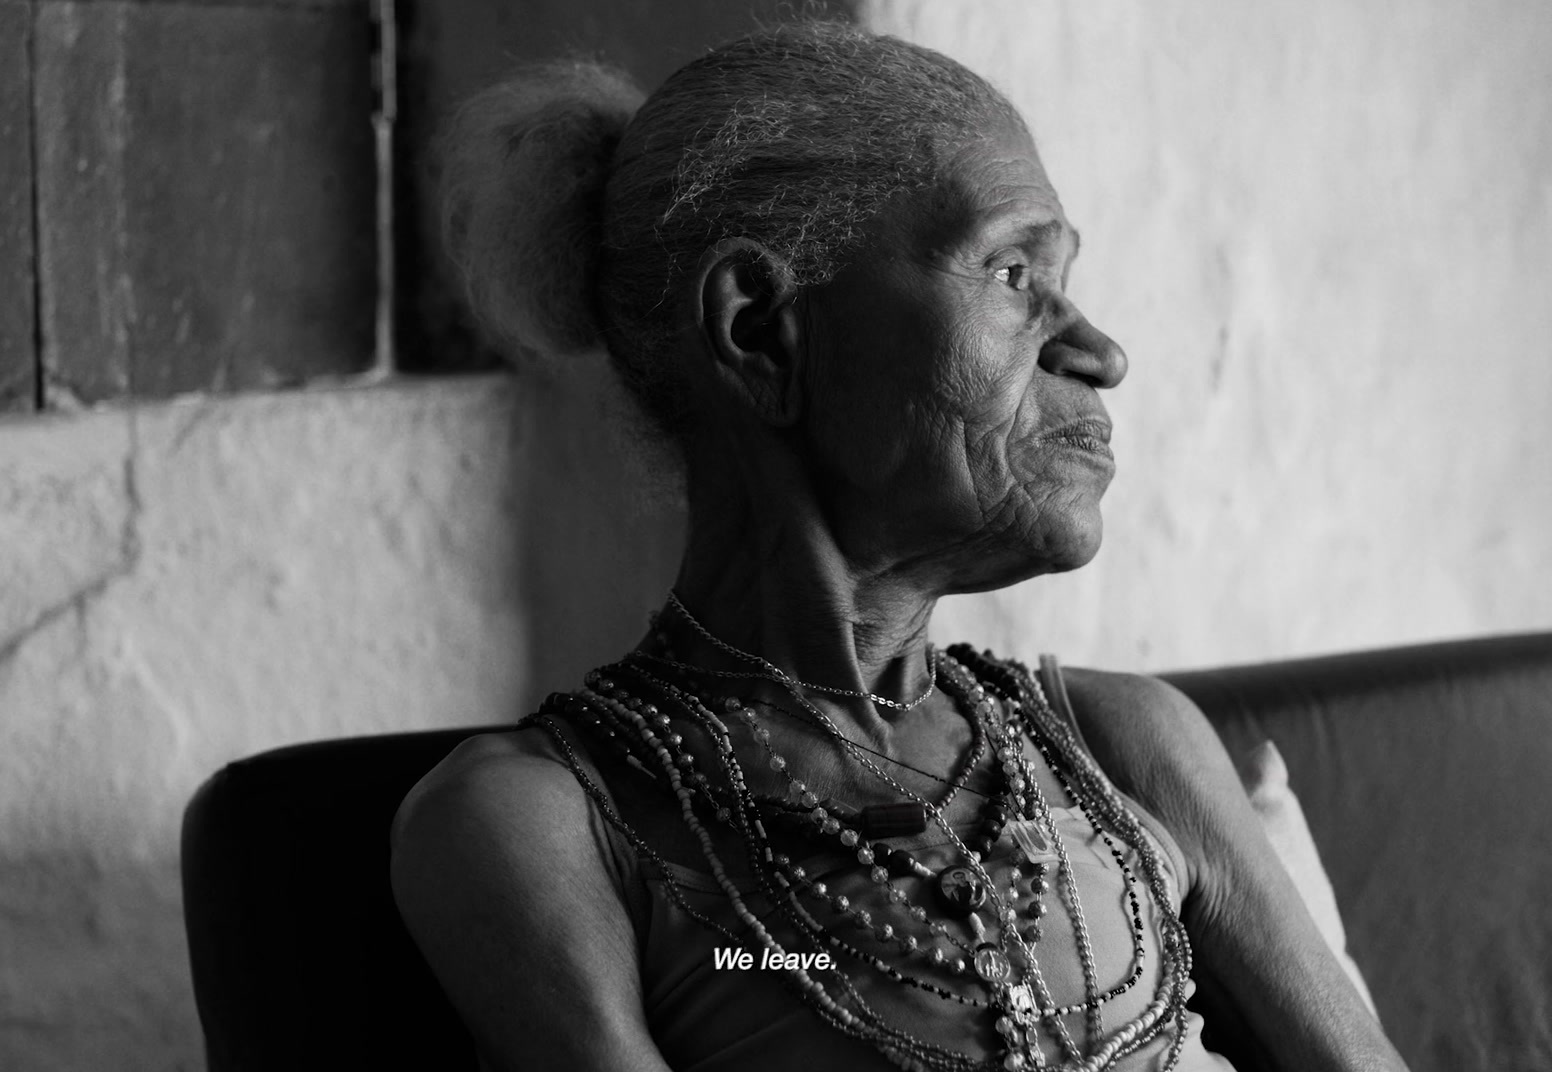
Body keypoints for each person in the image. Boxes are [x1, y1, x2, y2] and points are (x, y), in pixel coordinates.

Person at [390, 22, 1407, 1072]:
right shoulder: (542, 818)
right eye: (1014, 271)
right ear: (759, 330)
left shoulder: (1119, 737)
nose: (1100, 353)